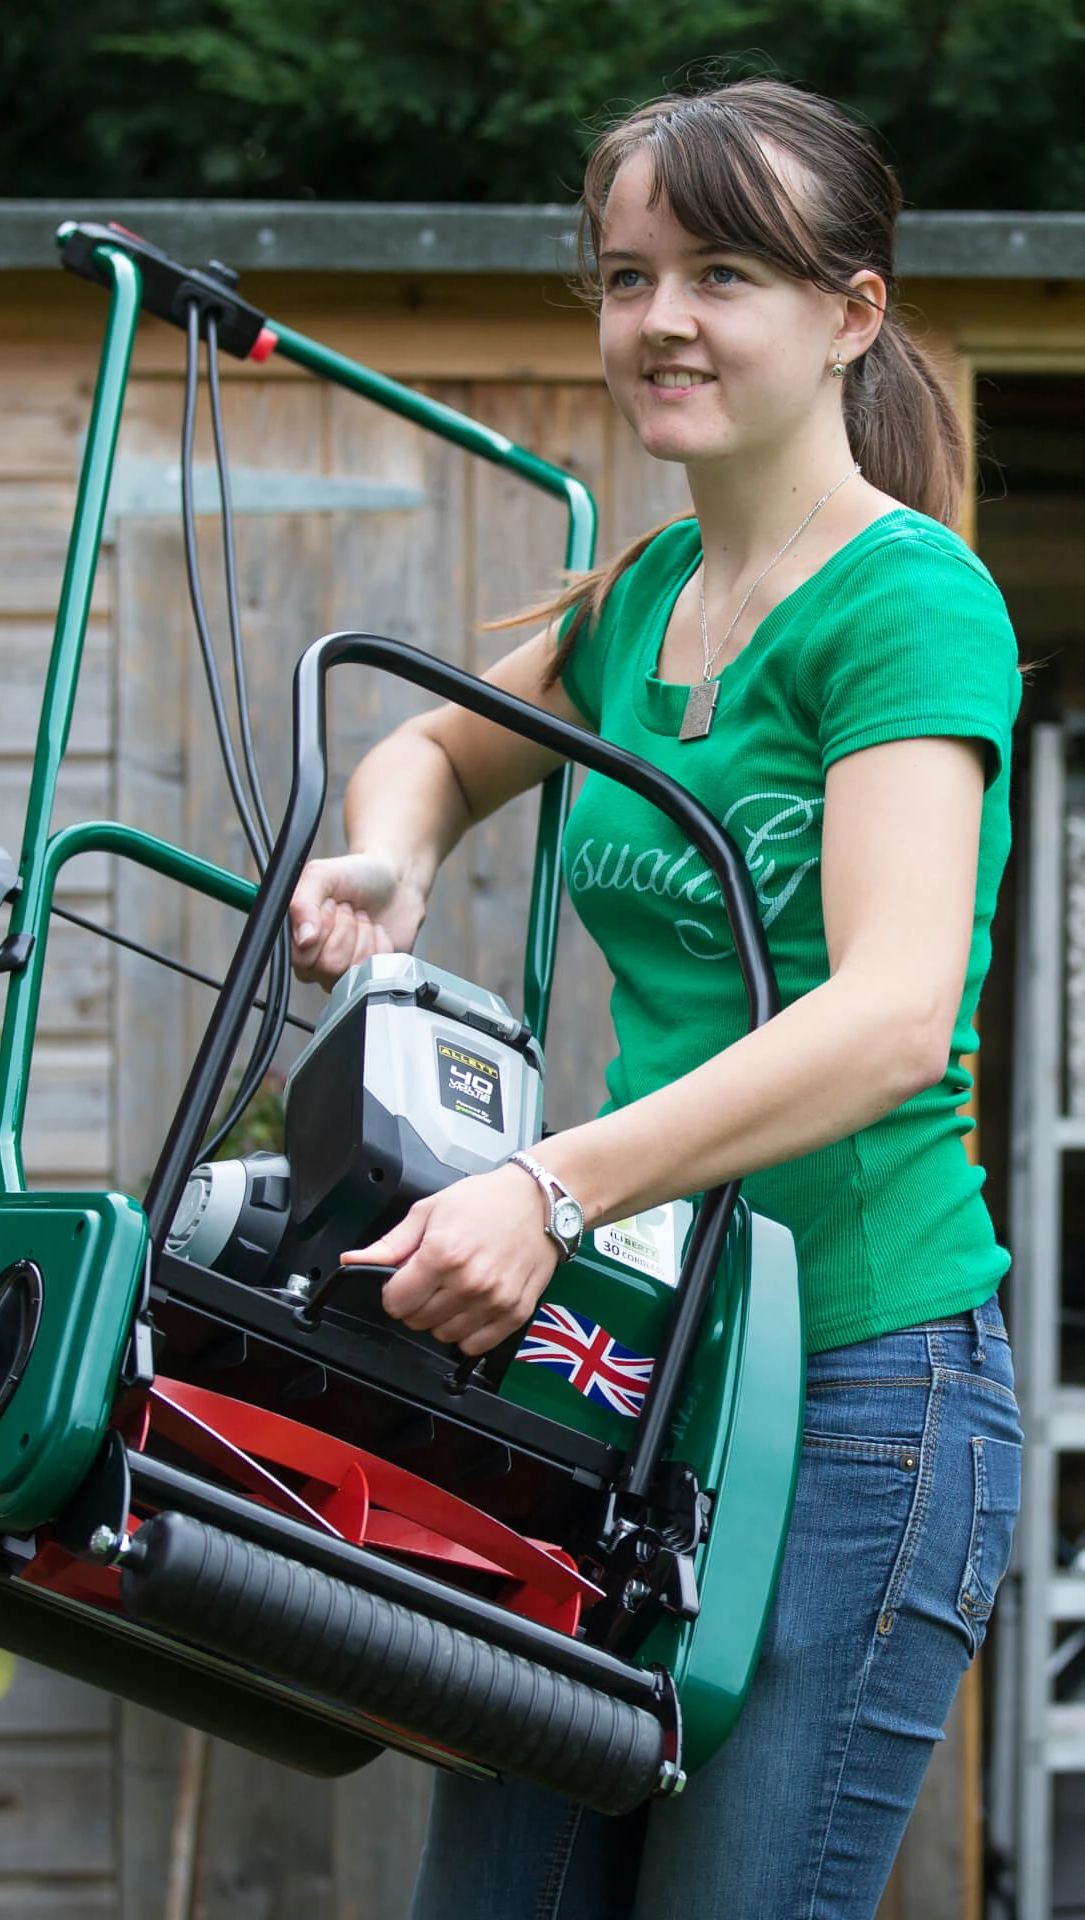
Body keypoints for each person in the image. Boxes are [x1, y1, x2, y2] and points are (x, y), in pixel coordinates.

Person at [288, 77, 1023, 1920]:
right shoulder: (644, 600)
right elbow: (427, 761)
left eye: (725, 273)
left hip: (856, 1391)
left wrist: (550, 1189)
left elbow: (891, 1016)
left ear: (851, 311)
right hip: (633, 1368)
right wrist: (390, 856)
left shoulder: (907, 606)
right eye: (626, 277)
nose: (661, 321)